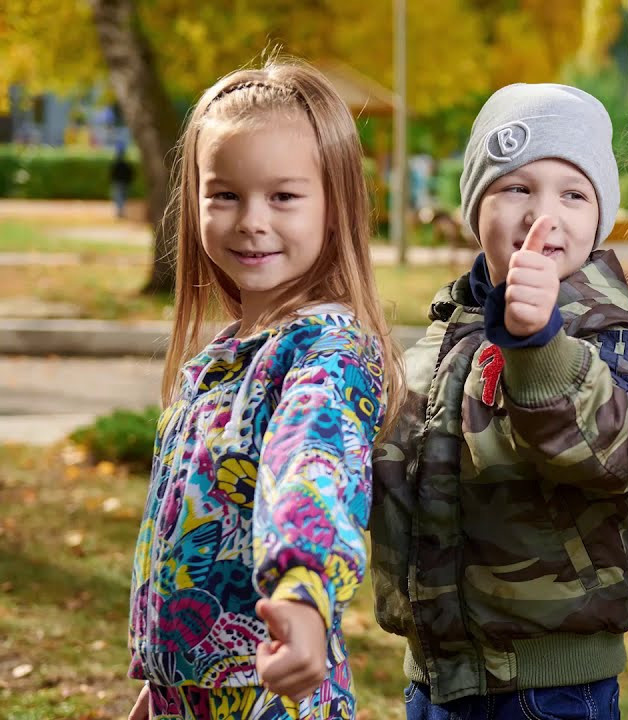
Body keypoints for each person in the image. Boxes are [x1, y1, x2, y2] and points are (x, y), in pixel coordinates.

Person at [369, 82, 628, 720]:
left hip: (551, 686)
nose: (545, 215)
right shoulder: (444, 333)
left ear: (599, 215)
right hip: (439, 676)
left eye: (574, 194)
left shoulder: (608, 327)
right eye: (517, 189)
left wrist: (539, 344)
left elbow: (618, 447)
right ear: (474, 207)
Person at [126, 59, 404, 720]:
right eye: (224, 195)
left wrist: (304, 600)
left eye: (283, 197)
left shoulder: (326, 355)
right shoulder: (224, 356)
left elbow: (312, 468)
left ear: (335, 207)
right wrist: (163, 681)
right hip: (194, 693)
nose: (251, 220)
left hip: (271, 692)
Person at [110, 146, 134, 219]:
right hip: (124, 183)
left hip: (119, 183)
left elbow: (112, 174)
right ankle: (121, 212)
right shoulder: (126, 164)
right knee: (122, 198)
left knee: (119, 198)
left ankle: (120, 212)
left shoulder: (116, 164)